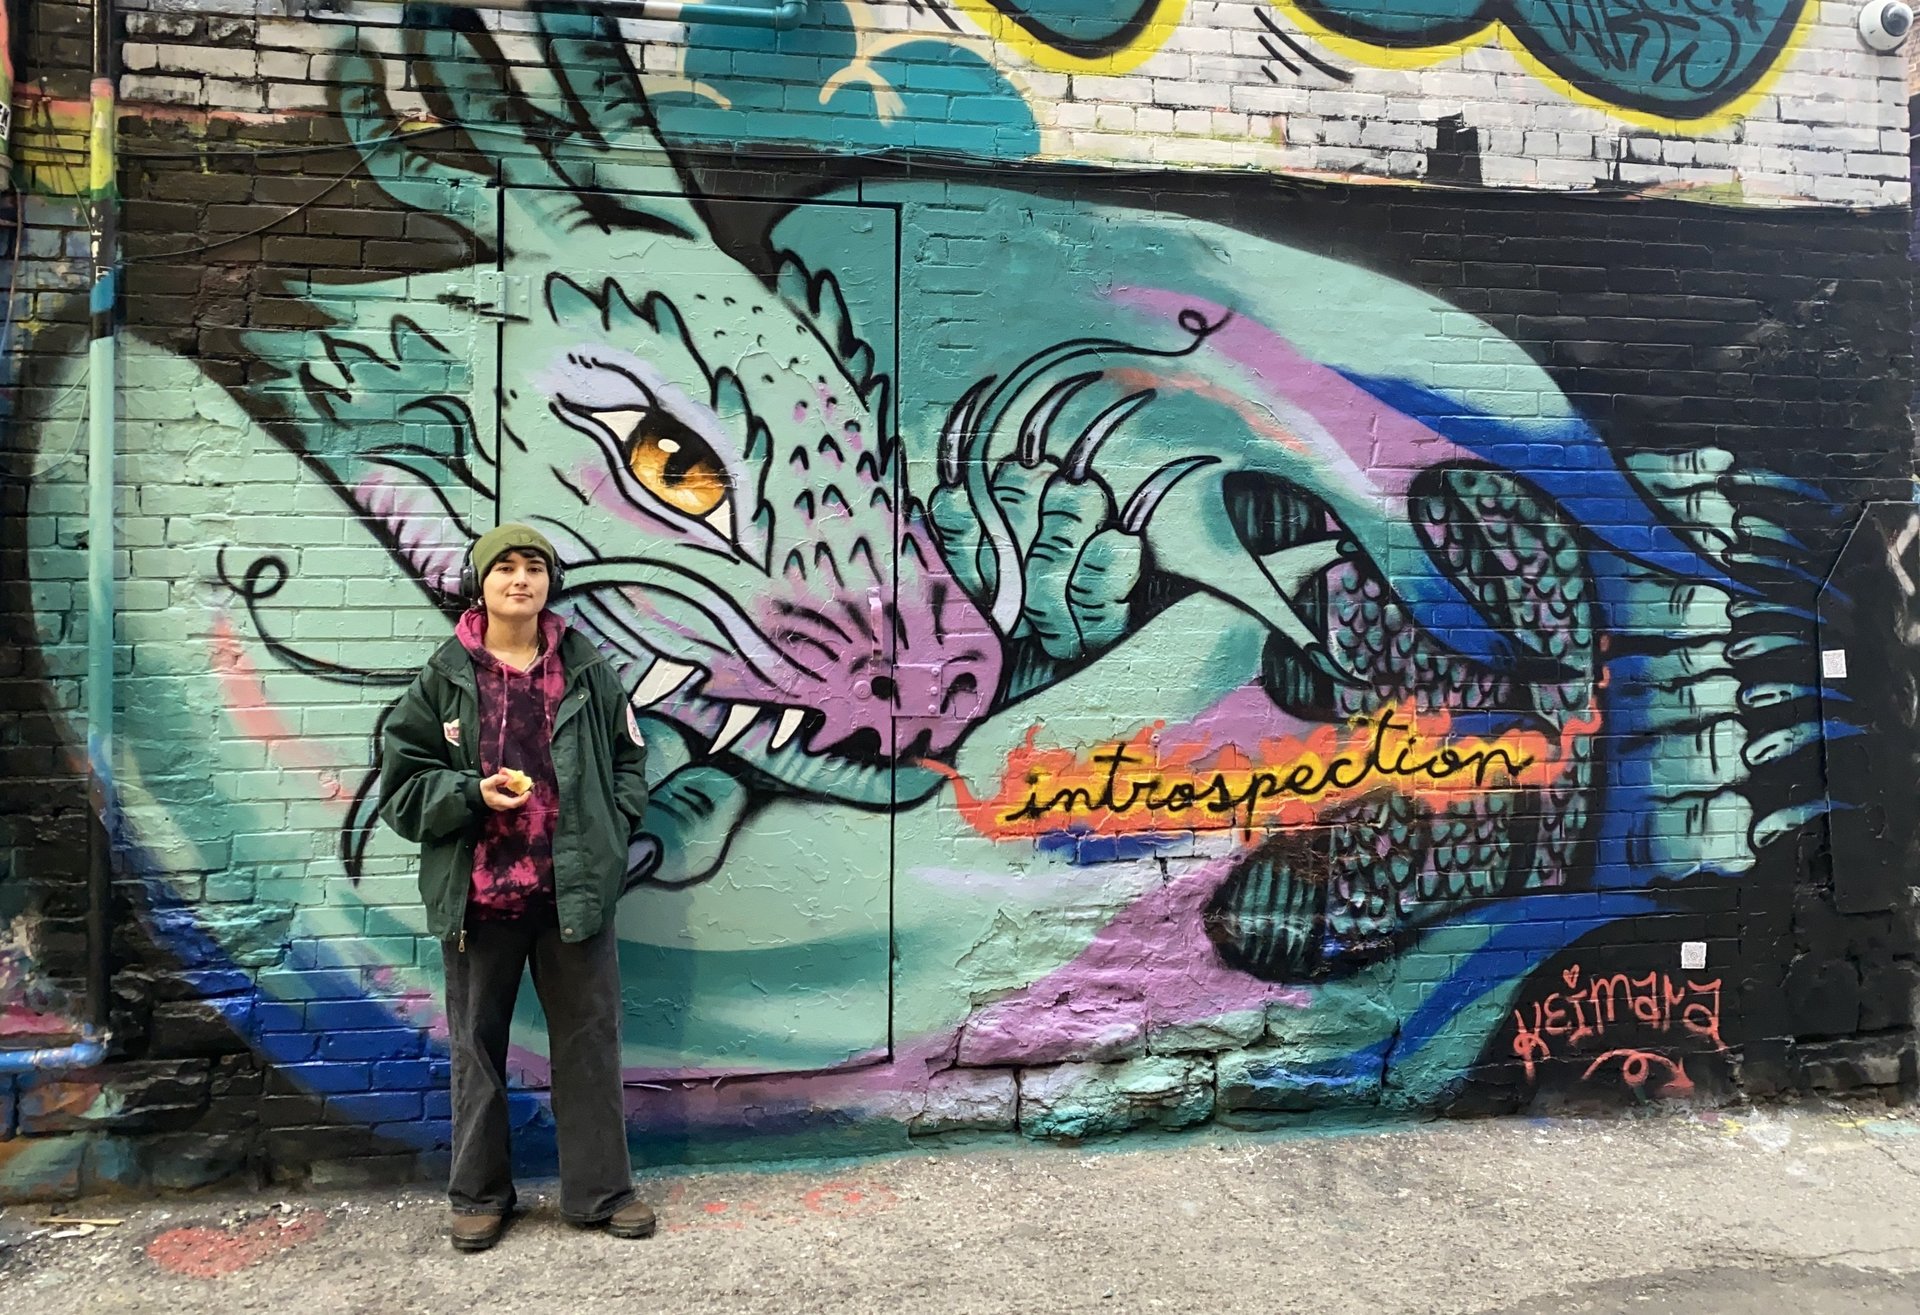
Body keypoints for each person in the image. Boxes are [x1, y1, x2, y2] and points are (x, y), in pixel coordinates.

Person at [379, 523, 655, 1252]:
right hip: (478, 898)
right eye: (504, 568)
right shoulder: (443, 677)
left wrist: (615, 826)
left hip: (572, 894)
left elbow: (630, 759)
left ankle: (600, 1192)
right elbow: (402, 789)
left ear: (547, 584)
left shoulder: (587, 669)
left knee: (590, 1044)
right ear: (481, 584)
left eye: (534, 568)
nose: (520, 579)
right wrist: (470, 792)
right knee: (477, 1048)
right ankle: (478, 1194)